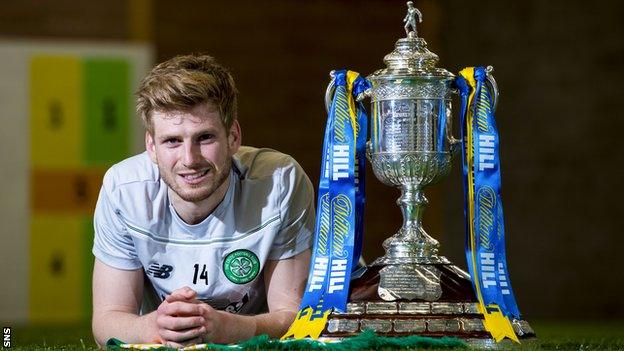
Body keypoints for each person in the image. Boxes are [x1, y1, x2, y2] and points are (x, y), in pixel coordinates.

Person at [91, 54, 314, 348]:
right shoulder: (124, 190)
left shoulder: (279, 182)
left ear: (233, 136)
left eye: (205, 137)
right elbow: (107, 320)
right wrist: (155, 326)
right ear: (151, 146)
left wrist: (229, 328)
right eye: (172, 141)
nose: (190, 160)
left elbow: (295, 317)